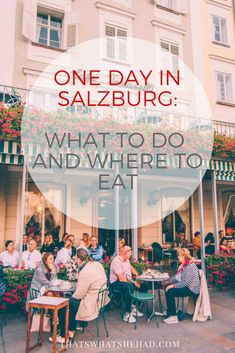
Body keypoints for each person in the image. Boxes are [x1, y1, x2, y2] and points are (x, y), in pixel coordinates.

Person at [55, 248, 110, 343]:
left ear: (79, 259)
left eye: (76, 258)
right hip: (100, 298)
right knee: (70, 303)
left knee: (63, 304)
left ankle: (64, 336)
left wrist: (71, 295)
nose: (75, 260)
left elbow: (79, 295)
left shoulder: (85, 271)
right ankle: (71, 330)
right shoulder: (97, 264)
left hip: (91, 303)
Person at [162, 248, 200, 324]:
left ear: (184, 257)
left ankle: (173, 316)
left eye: (179, 256)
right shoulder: (184, 265)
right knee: (167, 288)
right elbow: (177, 276)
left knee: (170, 291)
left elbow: (185, 282)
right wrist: (168, 282)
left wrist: (173, 285)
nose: (178, 257)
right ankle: (170, 311)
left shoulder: (190, 266)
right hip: (187, 286)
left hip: (191, 289)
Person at [109, 246, 144, 324]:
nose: (131, 254)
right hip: (116, 282)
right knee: (128, 287)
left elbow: (131, 268)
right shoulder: (116, 261)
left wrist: (139, 277)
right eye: (130, 253)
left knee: (143, 284)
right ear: (125, 253)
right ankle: (127, 314)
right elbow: (120, 278)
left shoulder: (126, 259)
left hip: (126, 280)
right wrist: (134, 282)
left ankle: (133, 307)